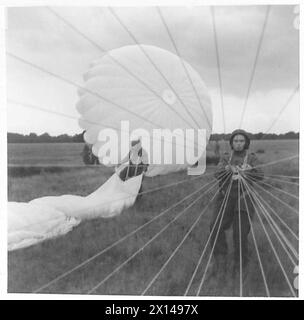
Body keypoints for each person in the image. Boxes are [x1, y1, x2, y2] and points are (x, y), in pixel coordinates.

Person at [209, 129, 263, 277]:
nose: (238, 144)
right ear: (232, 143)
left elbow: (261, 175)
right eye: (236, 141)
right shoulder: (226, 157)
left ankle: (240, 265)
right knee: (215, 226)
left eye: (241, 141)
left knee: (240, 233)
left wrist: (250, 170)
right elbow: (216, 174)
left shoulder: (251, 158)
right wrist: (226, 170)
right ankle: (220, 259)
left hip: (244, 199)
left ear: (246, 143)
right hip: (224, 198)